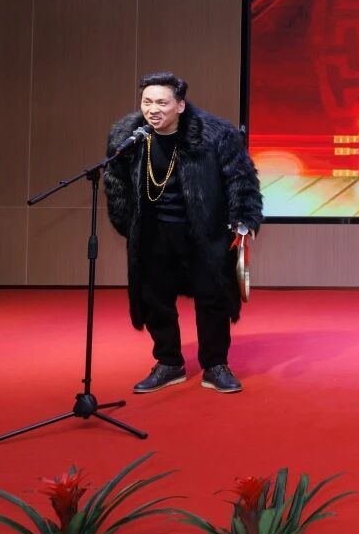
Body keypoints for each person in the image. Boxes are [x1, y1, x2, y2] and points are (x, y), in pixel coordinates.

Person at [104, 72, 263, 394]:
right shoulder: (128, 136)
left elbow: (241, 180)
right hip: (152, 233)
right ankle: (168, 362)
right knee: (155, 300)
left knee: (212, 298)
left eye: (162, 103)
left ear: (180, 105)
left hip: (204, 232)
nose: (153, 110)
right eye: (147, 102)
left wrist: (243, 220)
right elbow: (115, 182)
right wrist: (128, 224)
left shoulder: (216, 134)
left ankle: (215, 365)